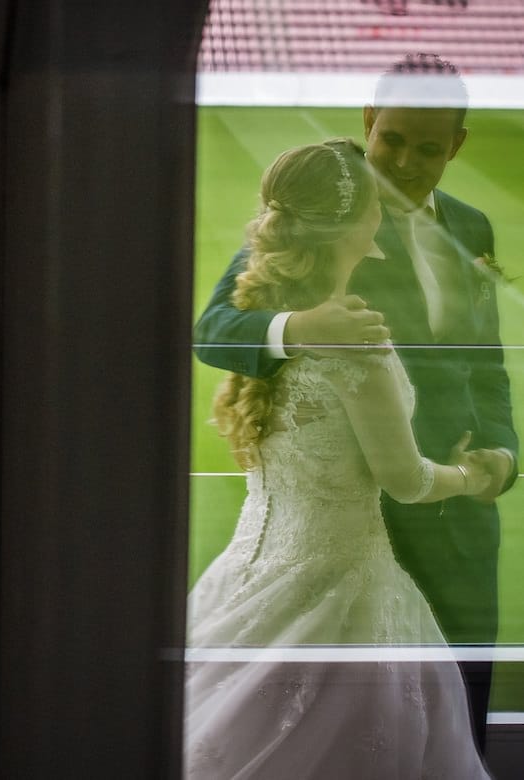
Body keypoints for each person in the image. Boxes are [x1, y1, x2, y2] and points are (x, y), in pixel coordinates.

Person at [193, 53, 517, 750]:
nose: (402, 162)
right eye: (391, 139)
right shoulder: (323, 212)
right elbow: (215, 328)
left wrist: (503, 456)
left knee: (458, 724)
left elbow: (485, 364)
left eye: (428, 148)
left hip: (461, 525)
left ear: (456, 145)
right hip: (365, 526)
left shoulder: (472, 226)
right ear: (369, 121)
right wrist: (298, 328)